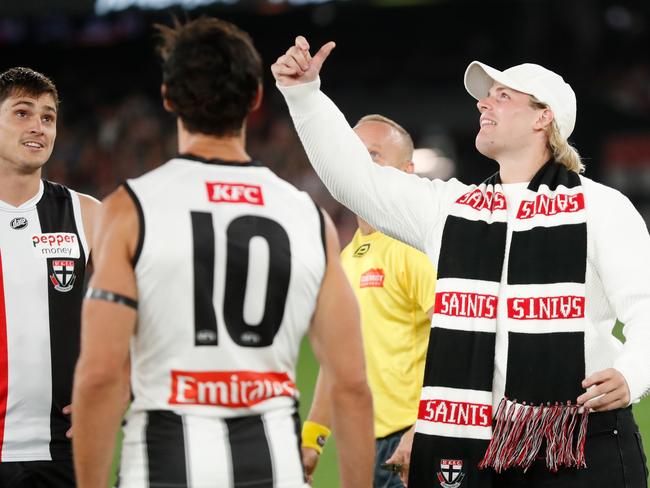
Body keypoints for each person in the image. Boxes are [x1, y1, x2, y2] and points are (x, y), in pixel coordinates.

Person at [272, 36, 650, 488]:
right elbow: (355, 181)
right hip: (477, 444)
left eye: (501, 96)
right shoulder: (452, 209)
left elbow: (645, 305)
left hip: (581, 443)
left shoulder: (602, 207)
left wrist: (633, 374)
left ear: (543, 117)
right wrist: (305, 95)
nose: (483, 105)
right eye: (484, 98)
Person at [71, 18, 374, 488]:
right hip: (272, 466)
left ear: (169, 97)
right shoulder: (305, 216)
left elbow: (100, 376)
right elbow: (352, 383)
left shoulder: (129, 210)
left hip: (164, 466)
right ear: (255, 100)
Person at [301, 114, 436, 487]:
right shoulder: (347, 258)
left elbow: (457, 344)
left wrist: (424, 429)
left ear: (408, 171)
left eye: (374, 155)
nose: (361, 165)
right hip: (360, 441)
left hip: (412, 440)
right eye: (354, 155)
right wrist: (313, 438)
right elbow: (336, 361)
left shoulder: (415, 249)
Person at [0, 67, 100, 487]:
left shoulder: (88, 214)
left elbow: (149, 312)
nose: (38, 127)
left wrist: (120, 383)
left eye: (48, 116)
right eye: (22, 113)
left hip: (62, 450)